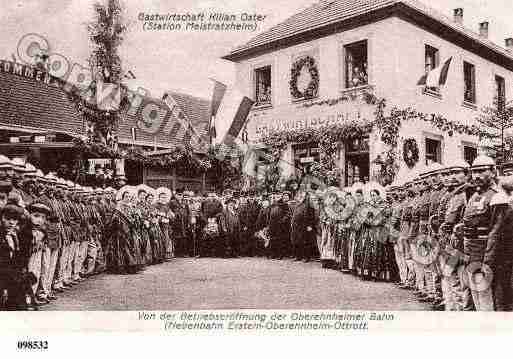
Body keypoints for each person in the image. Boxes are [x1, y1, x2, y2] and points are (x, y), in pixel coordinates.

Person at [291, 190, 318, 262]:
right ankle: (298, 256)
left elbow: (312, 216)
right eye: (299, 196)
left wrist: (310, 225)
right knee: (296, 241)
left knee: (305, 242)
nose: (300, 197)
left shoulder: (309, 205)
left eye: (302, 196)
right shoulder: (297, 205)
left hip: (304, 225)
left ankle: (306, 257)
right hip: (296, 226)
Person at [268, 191, 292, 259]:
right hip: (272, 225)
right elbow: (269, 214)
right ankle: (273, 254)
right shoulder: (273, 204)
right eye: (276, 196)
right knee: (273, 239)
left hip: (280, 225)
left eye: (278, 196)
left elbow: (288, 214)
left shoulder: (284, 204)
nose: (277, 197)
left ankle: (280, 255)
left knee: (280, 240)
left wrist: (282, 220)